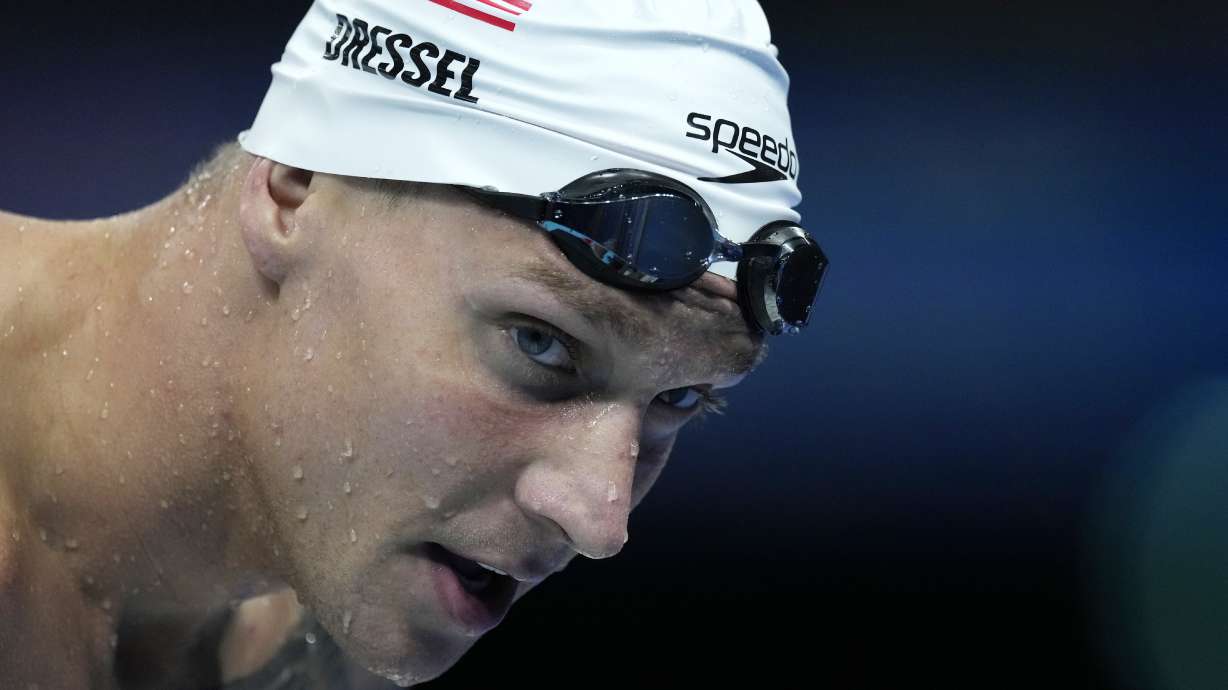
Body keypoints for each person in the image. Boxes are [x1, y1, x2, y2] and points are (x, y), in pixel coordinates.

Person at [0, 0, 825, 687]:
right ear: (298, 184)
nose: (597, 522)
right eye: (539, 345)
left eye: (679, 398)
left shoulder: (319, 621)